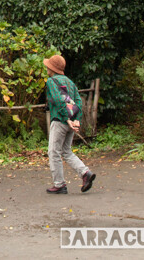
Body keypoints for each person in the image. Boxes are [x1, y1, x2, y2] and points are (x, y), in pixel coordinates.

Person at [43, 54, 95, 194]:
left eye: (48, 66)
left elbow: (58, 100)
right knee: (66, 151)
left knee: (53, 152)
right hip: (71, 121)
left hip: (60, 120)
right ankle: (85, 173)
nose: (46, 68)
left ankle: (59, 184)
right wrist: (76, 119)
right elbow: (78, 101)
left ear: (52, 68)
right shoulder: (70, 82)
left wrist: (66, 118)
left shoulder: (51, 81)